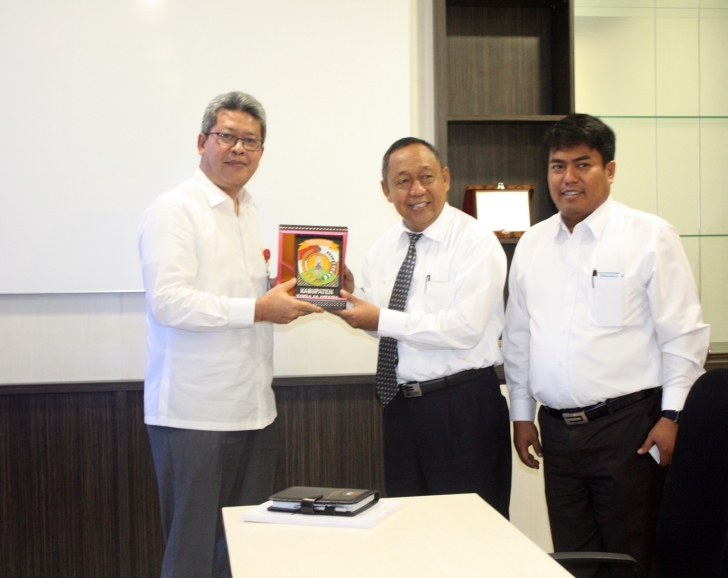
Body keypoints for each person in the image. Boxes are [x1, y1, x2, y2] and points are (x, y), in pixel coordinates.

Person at [501, 114, 710, 577]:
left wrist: (673, 416)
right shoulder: (532, 243)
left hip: (628, 431)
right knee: (574, 558)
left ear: (609, 170)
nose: (568, 178)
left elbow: (682, 333)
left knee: (632, 557)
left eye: (583, 165)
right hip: (557, 433)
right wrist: (522, 413)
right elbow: (518, 337)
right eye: (558, 166)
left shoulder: (649, 235)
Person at [138, 91, 322, 578]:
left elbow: (242, 293)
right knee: (192, 554)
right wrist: (259, 308)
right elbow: (169, 301)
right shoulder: (174, 210)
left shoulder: (249, 210)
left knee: (242, 552)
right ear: (202, 142)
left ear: (261, 151)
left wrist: (312, 284)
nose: (239, 149)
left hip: (254, 410)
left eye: (251, 141)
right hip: (194, 414)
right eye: (227, 136)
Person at [333, 137, 511, 517]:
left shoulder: (475, 241)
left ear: (445, 178)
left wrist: (380, 318)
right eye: (402, 181)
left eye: (426, 177)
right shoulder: (383, 248)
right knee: (412, 527)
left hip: (462, 406)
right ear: (386, 191)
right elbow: (383, 326)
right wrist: (349, 295)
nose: (416, 190)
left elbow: (465, 328)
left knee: (472, 530)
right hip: (400, 408)